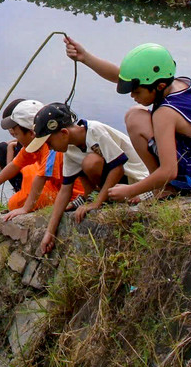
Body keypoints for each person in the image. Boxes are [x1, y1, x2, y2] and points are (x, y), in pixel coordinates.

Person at [63, 36, 191, 202]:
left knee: (136, 119)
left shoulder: (165, 113)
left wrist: (130, 190)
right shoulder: (173, 84)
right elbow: (120, 76)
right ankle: (160, 185)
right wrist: (85, 57)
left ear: (159, 87)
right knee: (136, 114)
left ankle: (162, 188)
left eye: (137, 92)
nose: (132, 95)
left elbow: (169, 171)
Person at [21, 101, 151, 254]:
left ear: (64, 133)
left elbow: (118, 169)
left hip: (135, 178)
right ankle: (92, 196)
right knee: (83, 163)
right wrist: (50, 232)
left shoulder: (95, 131)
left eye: (49, 142)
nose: (49, 148)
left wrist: (97, 203)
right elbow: (65, 189)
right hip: (115, 184)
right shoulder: (69, 149)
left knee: (90, 162)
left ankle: (103, 197)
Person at [0, 99, 86, 214]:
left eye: (16, 134)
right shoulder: (34, 145)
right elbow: (14, 165)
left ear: (31, 133)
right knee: (16, 201)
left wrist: (26, 208)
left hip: (72, 195)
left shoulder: (52, 148)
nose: (16, 138)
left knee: (16, 202)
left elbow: (41, 177)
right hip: (59, 188)